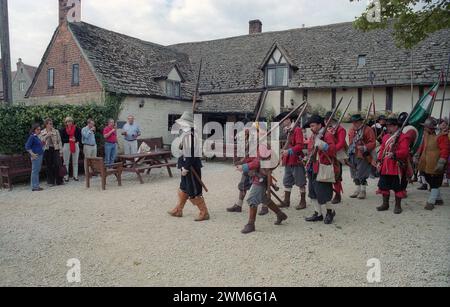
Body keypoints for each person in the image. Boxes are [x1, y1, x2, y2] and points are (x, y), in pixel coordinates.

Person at [236, 124, 288, 234]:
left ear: (262, 132)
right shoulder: (258, 143)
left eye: (255, 131)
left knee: (252, 199)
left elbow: (258, 161)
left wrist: (245, 166)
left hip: (262, 176)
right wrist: (243, 161)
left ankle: (251, 224)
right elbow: (253, 157)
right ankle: (280, 214)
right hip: (258, 174)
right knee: (264, 198)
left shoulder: (263, 144)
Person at [168, 111, 210, 222]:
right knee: (184, 188)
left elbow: (190, 154)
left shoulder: (191, 136)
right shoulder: (186, 134)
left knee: (194, 190)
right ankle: (179, 209)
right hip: (185, 165)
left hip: (191, 167)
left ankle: (204, 212)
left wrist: (186, 168)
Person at [304, 115, 338, 225]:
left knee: (324, 192)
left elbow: (333, 150)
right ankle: (318, 213)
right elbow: (310, 150)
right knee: (312, 192)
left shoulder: (327, 135)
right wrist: (307, 157)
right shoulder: (313, 136)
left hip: (322, 166)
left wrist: (324, 146)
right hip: (312, 166)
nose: (311, 128)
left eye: (313, 125)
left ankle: (330, 212)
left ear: (319, 125)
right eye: (310, 126)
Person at [376, 117, 410, 214]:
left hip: (397, 166)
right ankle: (385, 204)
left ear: (396, 126)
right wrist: (379, 160)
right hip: (385, 165)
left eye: (391, 126)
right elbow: (382, 149)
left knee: (398, 187)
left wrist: (395, 154)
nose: (389, 128)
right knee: (384, 186)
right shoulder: (386, 137)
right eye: (388, 126)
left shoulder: (403, 137)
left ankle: (398, 206)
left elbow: (405, 151)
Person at [417, 118, 449, 210]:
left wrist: (442, 161)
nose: (424, 129)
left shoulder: (442, 136)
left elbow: (445, 150)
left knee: (435, 182)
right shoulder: (426, 136)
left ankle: (431, 201)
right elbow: (422, 146)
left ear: (430, 128)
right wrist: (417, 155)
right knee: (430, 180)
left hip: (436, 162)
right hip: (426, 162)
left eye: (425, 127)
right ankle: (438, 199)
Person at [279, 113, 307, 210]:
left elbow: (300, 146)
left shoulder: (297, 129)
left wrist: (289, 151)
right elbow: (288, 143)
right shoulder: (288, 130)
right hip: (288, 160)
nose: (282, 122)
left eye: (284, 119)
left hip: (296, 159)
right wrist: (284, 150)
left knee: (300, 181)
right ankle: (286, 201)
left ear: (289, 119)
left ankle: (303, 202)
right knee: (287, 181)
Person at [348, 114, 377, 199]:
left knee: (362, 173)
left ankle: (363, 190)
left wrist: (364, 147)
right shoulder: (351, 130)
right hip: (352, 153)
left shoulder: (368, 130)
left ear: (360, 121)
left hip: (362, 155)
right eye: (353, 122)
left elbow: (373, 143)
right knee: (354, 173)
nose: (354, 123)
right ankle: (357, 189)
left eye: (356, 122)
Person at [227, 124, 253, 213]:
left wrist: (242, 162)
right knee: (243, 185)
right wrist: (240, 161)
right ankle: (239, 205)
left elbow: (252, 155)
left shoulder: (255, 140)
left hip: (256, 167)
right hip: (247, 166)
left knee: (261, 186)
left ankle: (265, 206)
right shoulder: (245, 139)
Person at [325, 111, 347, 204]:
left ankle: (337, 194)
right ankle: (328, 193)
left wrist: (332, 150)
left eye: (329, 120)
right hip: (326, 154)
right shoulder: (326, 129)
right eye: (326, 120)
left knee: (337, 176)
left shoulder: (340, 129)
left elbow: (341, 143)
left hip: (337, 154)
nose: (327, 122)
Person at [40, 118, 64, 186]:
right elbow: (41, 142)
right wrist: (47, 135)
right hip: (47, 150)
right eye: (50, 124)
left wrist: (61, 151)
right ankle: (51, 182)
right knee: (49, 166)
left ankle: (59, 181)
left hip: (55, 149)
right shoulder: (42, 132)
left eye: (52, 123)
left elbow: (59, 141)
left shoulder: (56, 131)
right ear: (46, 124)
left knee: (57, 164)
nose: (51, 125)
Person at [60, 117, 82, 182]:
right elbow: (62, 139)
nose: (69, 123)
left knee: (75, 161)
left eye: (70, 121)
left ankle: (75, 176)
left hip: (75, 145)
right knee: (66, 162)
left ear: (72, 122)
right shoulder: (63, 130)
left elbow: (79, 137)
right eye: (67, 122)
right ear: (66, 123)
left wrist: (76, 140)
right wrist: (69, 140)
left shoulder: (77, 129)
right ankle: (66, 177)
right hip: (66, 145)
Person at [25, 123, 45, 192]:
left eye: (39, 129)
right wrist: (32, 154)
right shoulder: (32, 137)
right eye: (37, 129)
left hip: (40, 155)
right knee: (35, 171)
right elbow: (27, 146)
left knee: (37, 171)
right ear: (34, 130)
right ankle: (34, 187)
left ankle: (36, 186)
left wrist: (42, 143)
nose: (39, 130)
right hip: (36, 156)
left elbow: (38, 145)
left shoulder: (36, 137)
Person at [438, 119, 449, 187]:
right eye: (443, 125)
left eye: (445, 125)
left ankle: (446, 181)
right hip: (439, 153)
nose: (444, 126)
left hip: (446, 154)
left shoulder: (447, 134)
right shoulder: (438, 133)